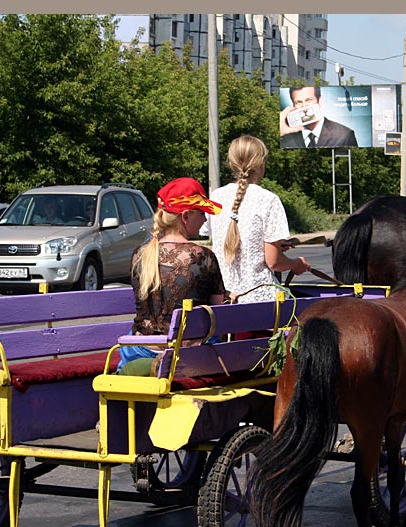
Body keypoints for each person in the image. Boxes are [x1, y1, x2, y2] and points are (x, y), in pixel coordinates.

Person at [117, 177, 226, 375]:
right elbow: (216, 312)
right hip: (187, 355)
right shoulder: (204, 257)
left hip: (140, 351)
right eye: (202, 213)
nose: (204, 219)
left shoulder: (139, 254)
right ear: (185, 217)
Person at [207, 135, 310, 304]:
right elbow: (274, 262)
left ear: (231, 164)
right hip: (260, 300)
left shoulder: (216, 197)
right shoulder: (268, 200)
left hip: (223, 296)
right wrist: (296, 263)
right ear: (261, 164)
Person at [279, 86, 358, 149]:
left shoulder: (344, 135)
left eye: (309, 100)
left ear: (319, 101)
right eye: (298, 102)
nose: (304, 108)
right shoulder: (285, 137)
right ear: (293, 106)